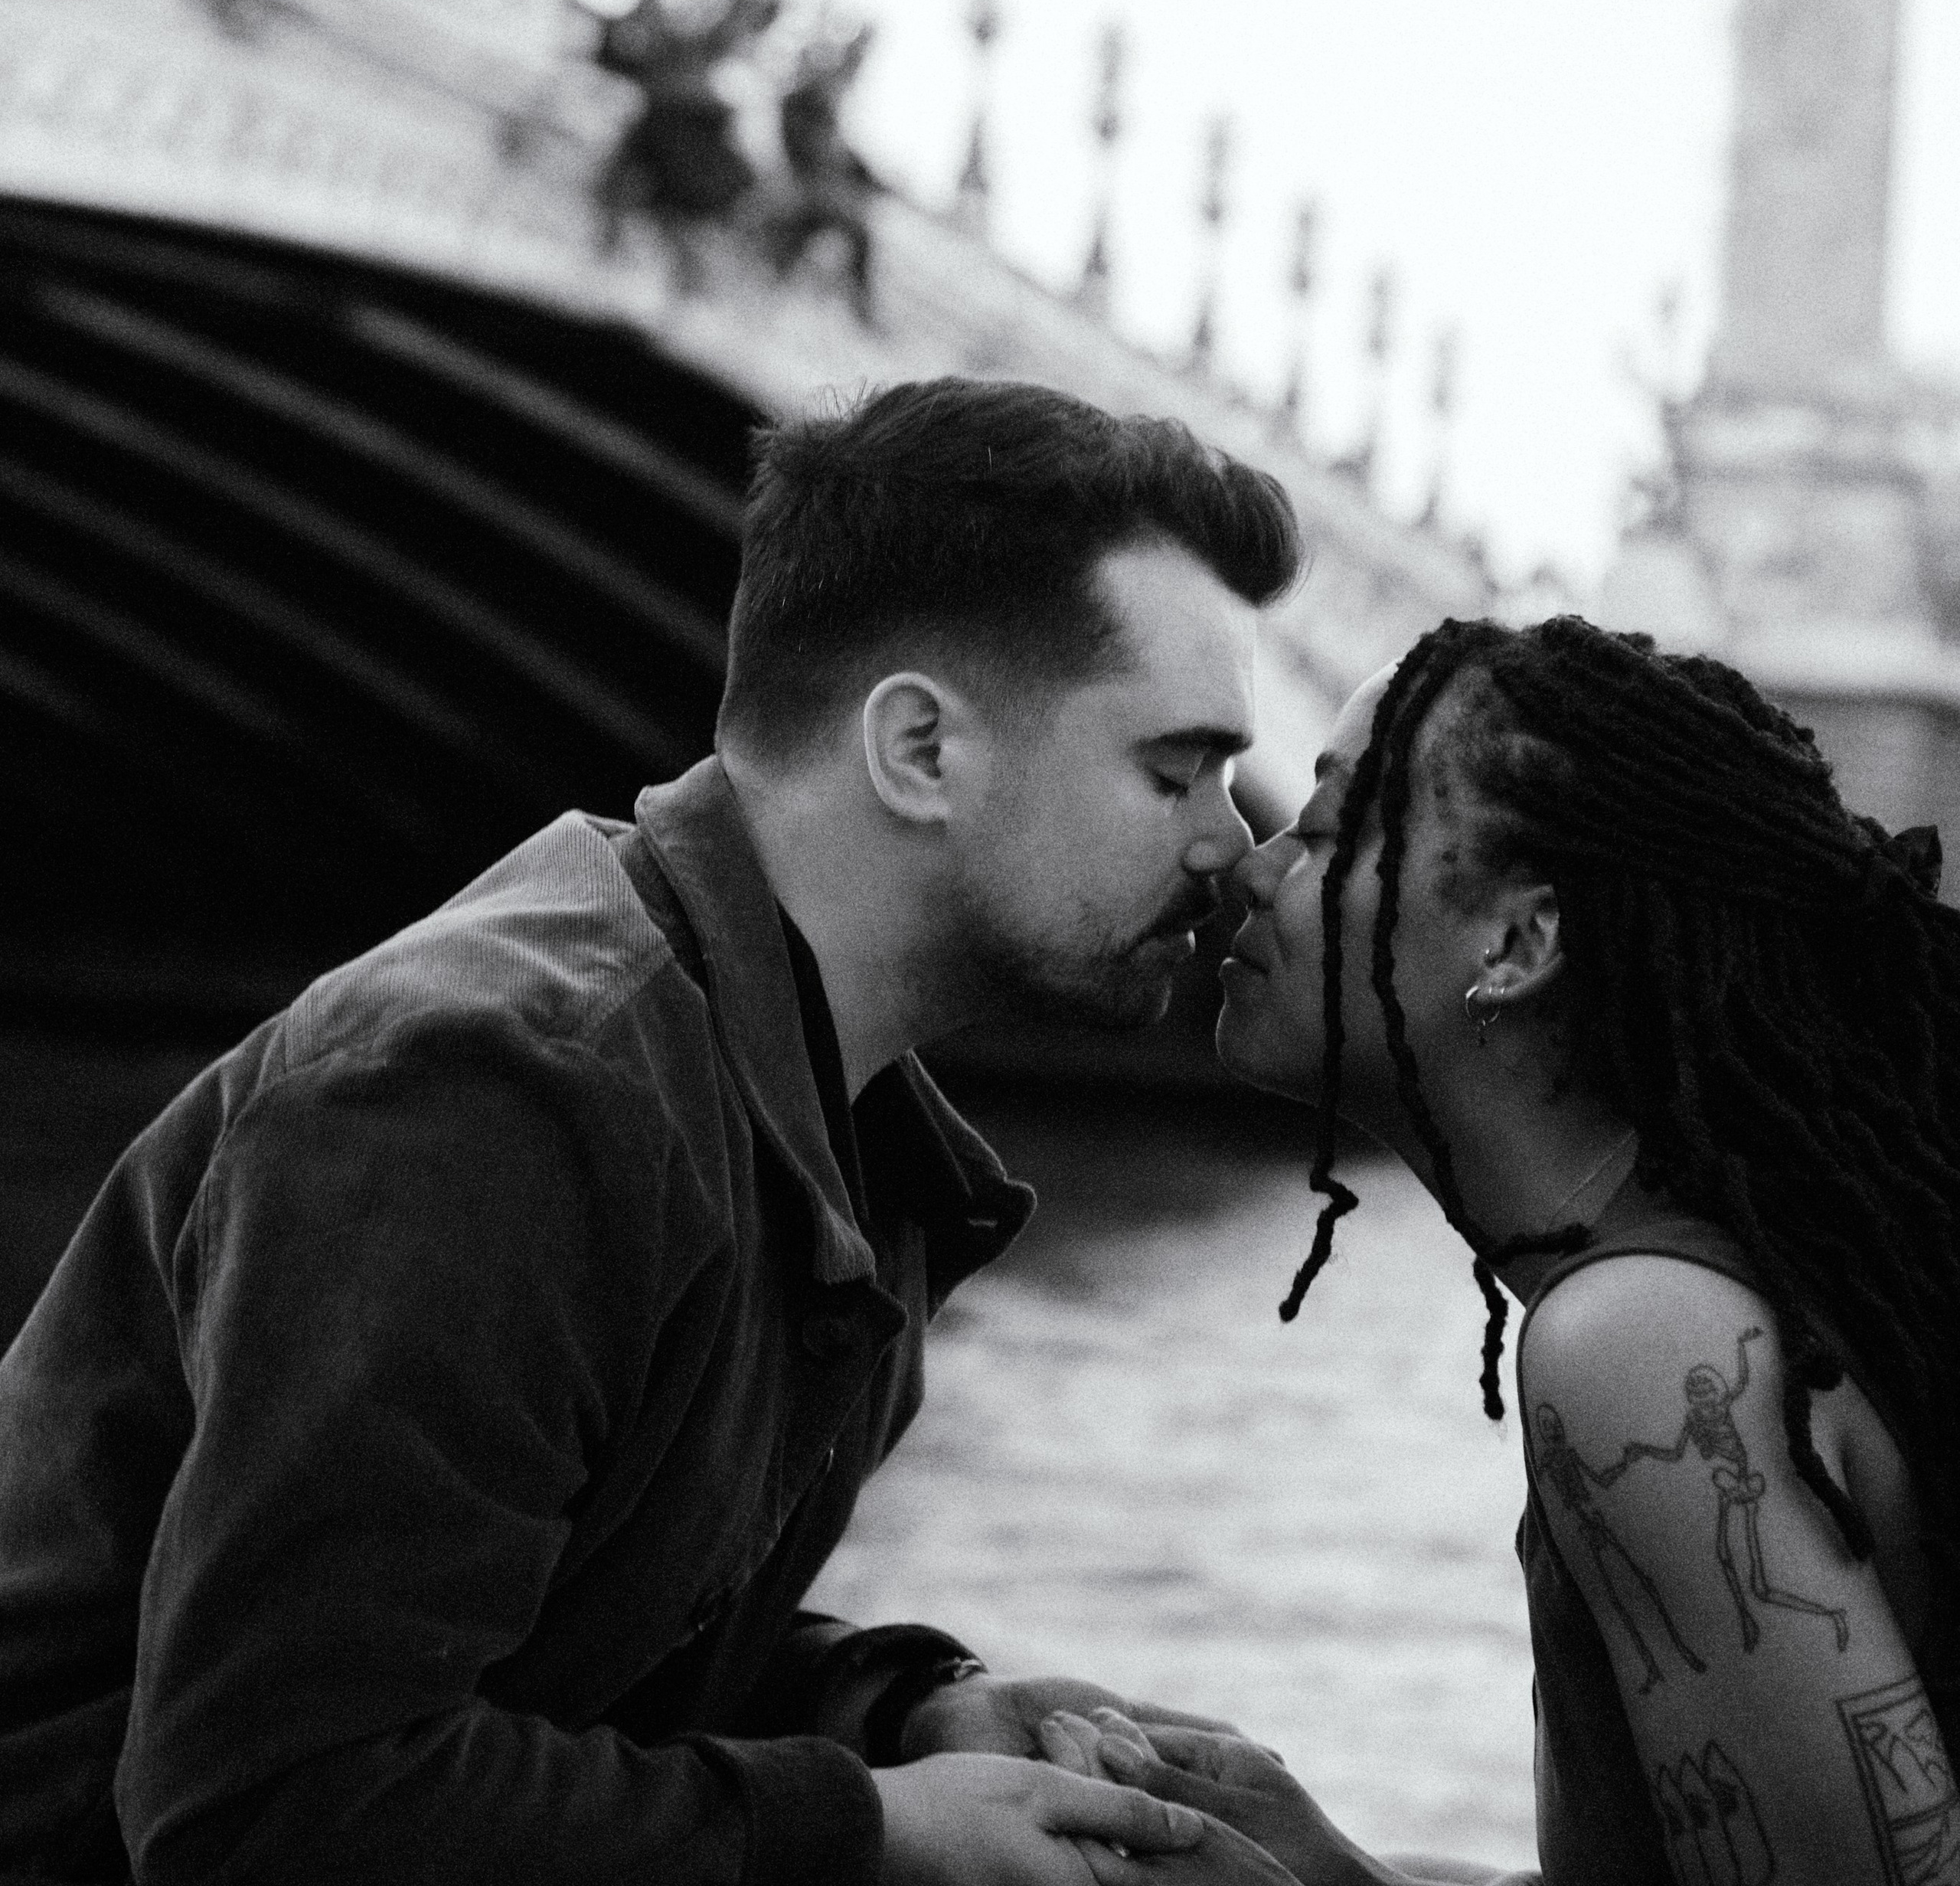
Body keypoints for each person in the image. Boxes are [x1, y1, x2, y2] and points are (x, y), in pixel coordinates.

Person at [0, 376, 1302, 1886]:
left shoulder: (811, 1116)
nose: (1231, 838)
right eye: (1172, 768)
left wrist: (905, 1711)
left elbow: (550, 1633)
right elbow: (268, 1810)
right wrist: (865, 1831)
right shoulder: (496, 1092)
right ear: (920, 751)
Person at [1050, 614, 1959, 1885]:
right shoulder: (1708, 1287)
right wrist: (1338, 1873)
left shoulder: (1639, 1343)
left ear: (1518, 945)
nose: (1250, 869)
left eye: (1324, 836)